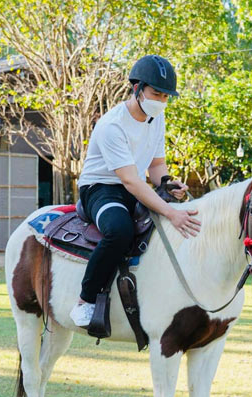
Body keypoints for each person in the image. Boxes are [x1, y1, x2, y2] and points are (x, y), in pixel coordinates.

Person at [69, 55, 201, 336]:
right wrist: (170, 212)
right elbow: (129, 180)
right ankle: (85, 299)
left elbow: (155, 166)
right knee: (120, 230)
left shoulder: (157, 117)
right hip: (102, 188)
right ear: (137, 88)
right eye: (156, 93)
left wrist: (167, 183)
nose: (161, 100)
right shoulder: (112, 125)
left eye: (166, 96)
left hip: (134, 185)